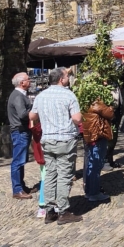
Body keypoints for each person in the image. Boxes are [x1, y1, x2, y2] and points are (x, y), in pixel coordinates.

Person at [29, 67, 83, 224]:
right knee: (64, 174)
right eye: (66, 76)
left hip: (48, 140)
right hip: (64, 139)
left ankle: (49, 210)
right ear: (61, 79)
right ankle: (63, 211)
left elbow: (32, 115)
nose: (67, 77)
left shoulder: (41, 96)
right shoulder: (68, 94)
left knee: (51, 174)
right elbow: (77, 118)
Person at [81, 96, 114, 204]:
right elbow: (110, 113)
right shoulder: (96, 103)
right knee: (95, 166)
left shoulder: (84, 100)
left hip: (89, 136)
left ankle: (89, 191)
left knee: (91, 165)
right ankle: (94, 193)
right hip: (97, 136)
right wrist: (111, 106)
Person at [7, 72, 33, 200]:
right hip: (20, 131)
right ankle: (17, 189)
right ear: (22, 82)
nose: (30, 81)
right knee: (18, 161)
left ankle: (21, 186)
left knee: (21, 161)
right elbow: (22, 114)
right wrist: (34, 111)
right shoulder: (18, 96)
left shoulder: (20, 95)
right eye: (28, 79)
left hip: (22, 131)